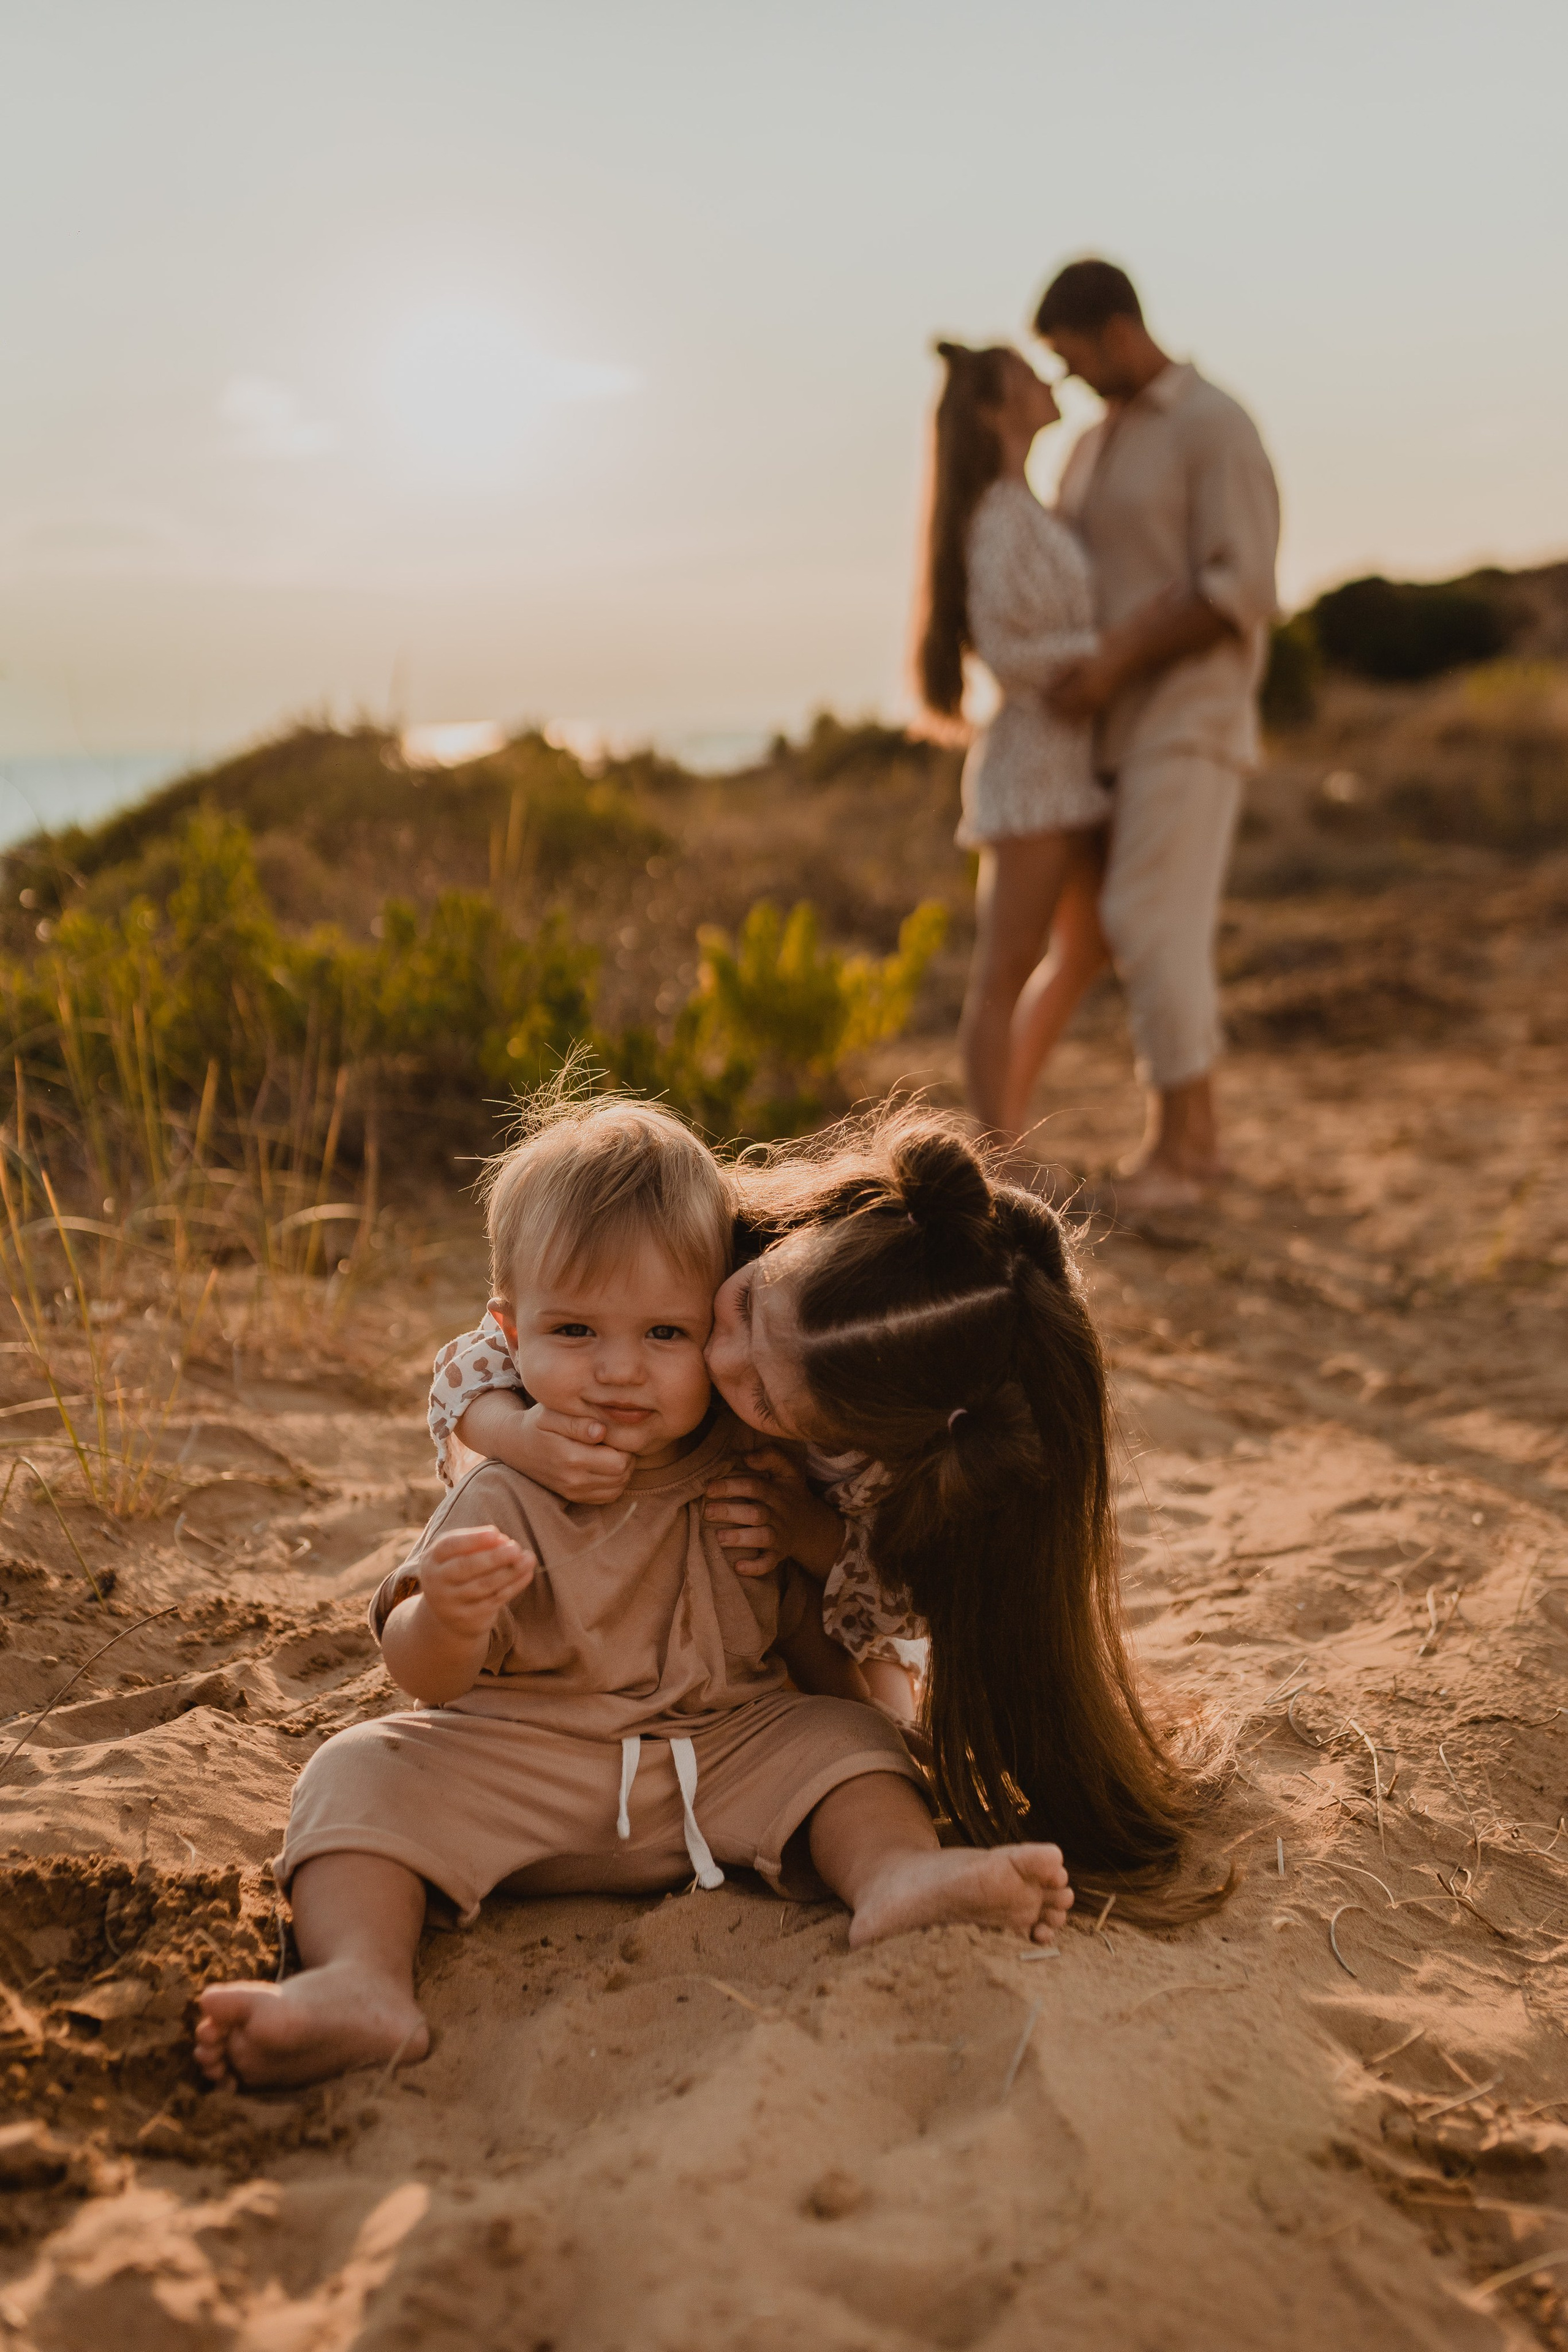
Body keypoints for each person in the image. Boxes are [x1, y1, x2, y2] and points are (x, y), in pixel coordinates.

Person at [193, 1096, 1075, 2089]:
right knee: (356, 1776)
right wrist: (446, 1612)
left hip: (720, 1755)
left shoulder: (758, 1466)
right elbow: (423, 1680)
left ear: (707, 1307)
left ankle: (895, 1877)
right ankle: (359, 1983)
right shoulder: (507, 1481)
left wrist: (806, 1555)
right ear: (511, 1331)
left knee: (853, 1747)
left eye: (666, 1333)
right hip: (529, 1763)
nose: (619, 1371)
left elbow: (820, 1632)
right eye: (574, 1331)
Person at [426, 1096, 1212, 1902]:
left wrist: (812, 1536)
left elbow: (901, 1601)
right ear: (792, 1241)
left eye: (764, 1397)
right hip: (609, 1589)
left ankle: (875, 1848)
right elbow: (489, 1349)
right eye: (738, 1311)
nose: (721, 1356)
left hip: (801, 1626)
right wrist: (519, 1434)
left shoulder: (891, 1464)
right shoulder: (717, 1246)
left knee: (864, 1729)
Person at [1035, 258, 1281, 1210]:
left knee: (1146, 919)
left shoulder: (1214, 425)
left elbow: (1240, 586)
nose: (1069, 379)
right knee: (1146, 925)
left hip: (1191, 718)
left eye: (1070, 358)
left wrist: (1120, 657)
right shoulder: (1094, 445)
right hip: (1110, 737)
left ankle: (1189, 1151)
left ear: (1115, 329)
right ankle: (1186, 1140)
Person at [916, 341, 1112, 1152]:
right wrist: (1104, 658)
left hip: (1075, 762)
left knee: (1088, 947)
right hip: (1033, 768)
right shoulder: (995, 519)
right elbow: (1004, 648)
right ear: (997, 410)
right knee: (1005, 967)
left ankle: (1007, 1132)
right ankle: (999, 1153)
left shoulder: (1027, 506)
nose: (1047, 381)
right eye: (1027, 377)